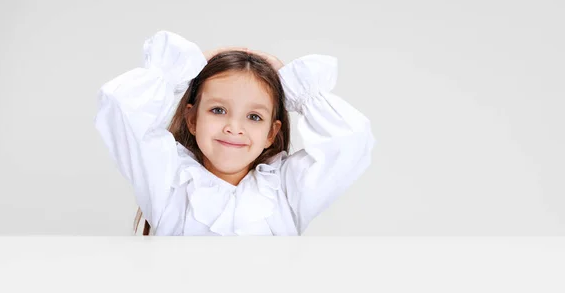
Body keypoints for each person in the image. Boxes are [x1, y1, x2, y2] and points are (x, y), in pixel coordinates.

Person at [94, 30, 376, 236]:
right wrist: (186, 67)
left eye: (254, 116)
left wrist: (297, 88)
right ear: (192, 118)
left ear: (271, 132)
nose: (234, 128)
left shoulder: (288, 188)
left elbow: (352, 139)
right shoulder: (168, 182)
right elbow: (121, 106)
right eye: (218, 110)